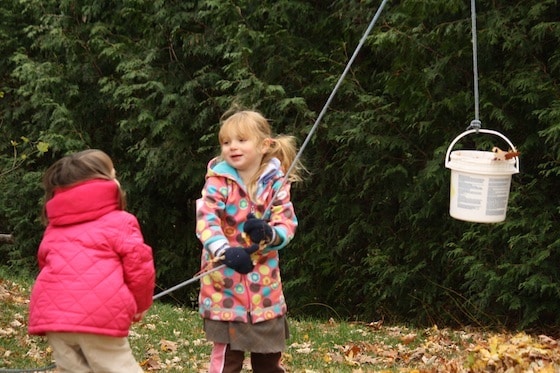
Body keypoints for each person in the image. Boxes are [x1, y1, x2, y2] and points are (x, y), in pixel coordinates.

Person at [196, 109, 305, 373]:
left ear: (263, 145)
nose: (232, 147)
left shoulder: (276, 183)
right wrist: (224, 250)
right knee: (227, 359)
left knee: (268, 358)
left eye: (241, 140)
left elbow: (286, 221)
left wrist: (271, 235)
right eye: (226, 142)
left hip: (264, 290)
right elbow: (206, 219)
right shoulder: (218, 180)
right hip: (224, 285)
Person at [28, 149, 155, 373]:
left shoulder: (54, 228)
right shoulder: (121, 221)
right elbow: (140, 268)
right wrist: (141, 304)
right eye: (113, 175)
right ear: (105, 184)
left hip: (54, 317)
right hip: (99, 317)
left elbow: (46, 264)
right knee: (117, 368)